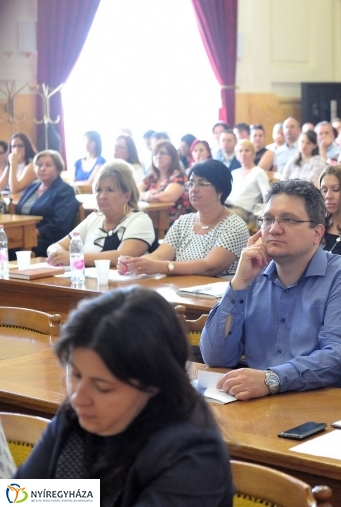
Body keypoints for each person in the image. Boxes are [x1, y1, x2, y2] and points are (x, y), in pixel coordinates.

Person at [16, 287, 234, 505]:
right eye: (75, 375)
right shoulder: (75, 418)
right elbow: (19, 497)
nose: (77, 398)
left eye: (102, 387)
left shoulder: (192, 455)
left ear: (154, 383)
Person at [199, 179, 341, 398]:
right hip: (260, 401)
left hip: (326, 404)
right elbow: (215, 357)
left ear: (317, 232)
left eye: (289, 220)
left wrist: (271, 379)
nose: (274, 229)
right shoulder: (252, 275)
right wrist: (238, 284)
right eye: (268, 219)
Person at [127, 160, 249, 277]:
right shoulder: (183, 222)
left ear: (220, 190)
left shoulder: (234, 225)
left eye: (202, 184)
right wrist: (136, 263)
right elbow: (159, 256)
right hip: (182, 287)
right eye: (191, 184)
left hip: (218, 290)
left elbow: (209, 267)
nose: (193, 189)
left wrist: (163, 267)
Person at [46, 162, 155, 267]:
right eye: (98, 190)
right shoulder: (94, 218)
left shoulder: (140, 221)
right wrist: (55, 253)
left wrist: (75, 257)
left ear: (127, 196)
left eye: (110, 190)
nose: (102, 196)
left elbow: (122, 256)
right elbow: (57, 245)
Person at [17, 151, 79, 257]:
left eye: (48, 165)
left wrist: (32, 233)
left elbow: (60, 223)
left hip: (50, 241)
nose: (42, 168)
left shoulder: (65, 190)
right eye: (39, 165)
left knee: (10, 246)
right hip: (26, 236)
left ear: (58, 169)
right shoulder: (32, 187)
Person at [139, 140, 190, 226]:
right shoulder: (151, 177)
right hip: (151, 220)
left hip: (175, 224)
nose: (158, 157)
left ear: (172, 157)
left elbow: (167, 197)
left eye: (162, 153)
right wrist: (146, 196)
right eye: (155, 154)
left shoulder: (179, 176)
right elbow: (134, 192)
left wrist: (143, 195)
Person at [226, 139, 271, 227]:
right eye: (240, 151)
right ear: (236, 155)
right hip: (226, 205)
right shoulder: (234, 173)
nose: (243, 153)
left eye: (247, 150)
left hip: (243, 210)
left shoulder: (258, 172)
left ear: (253, 154)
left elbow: (268, 196)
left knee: (222, 217)